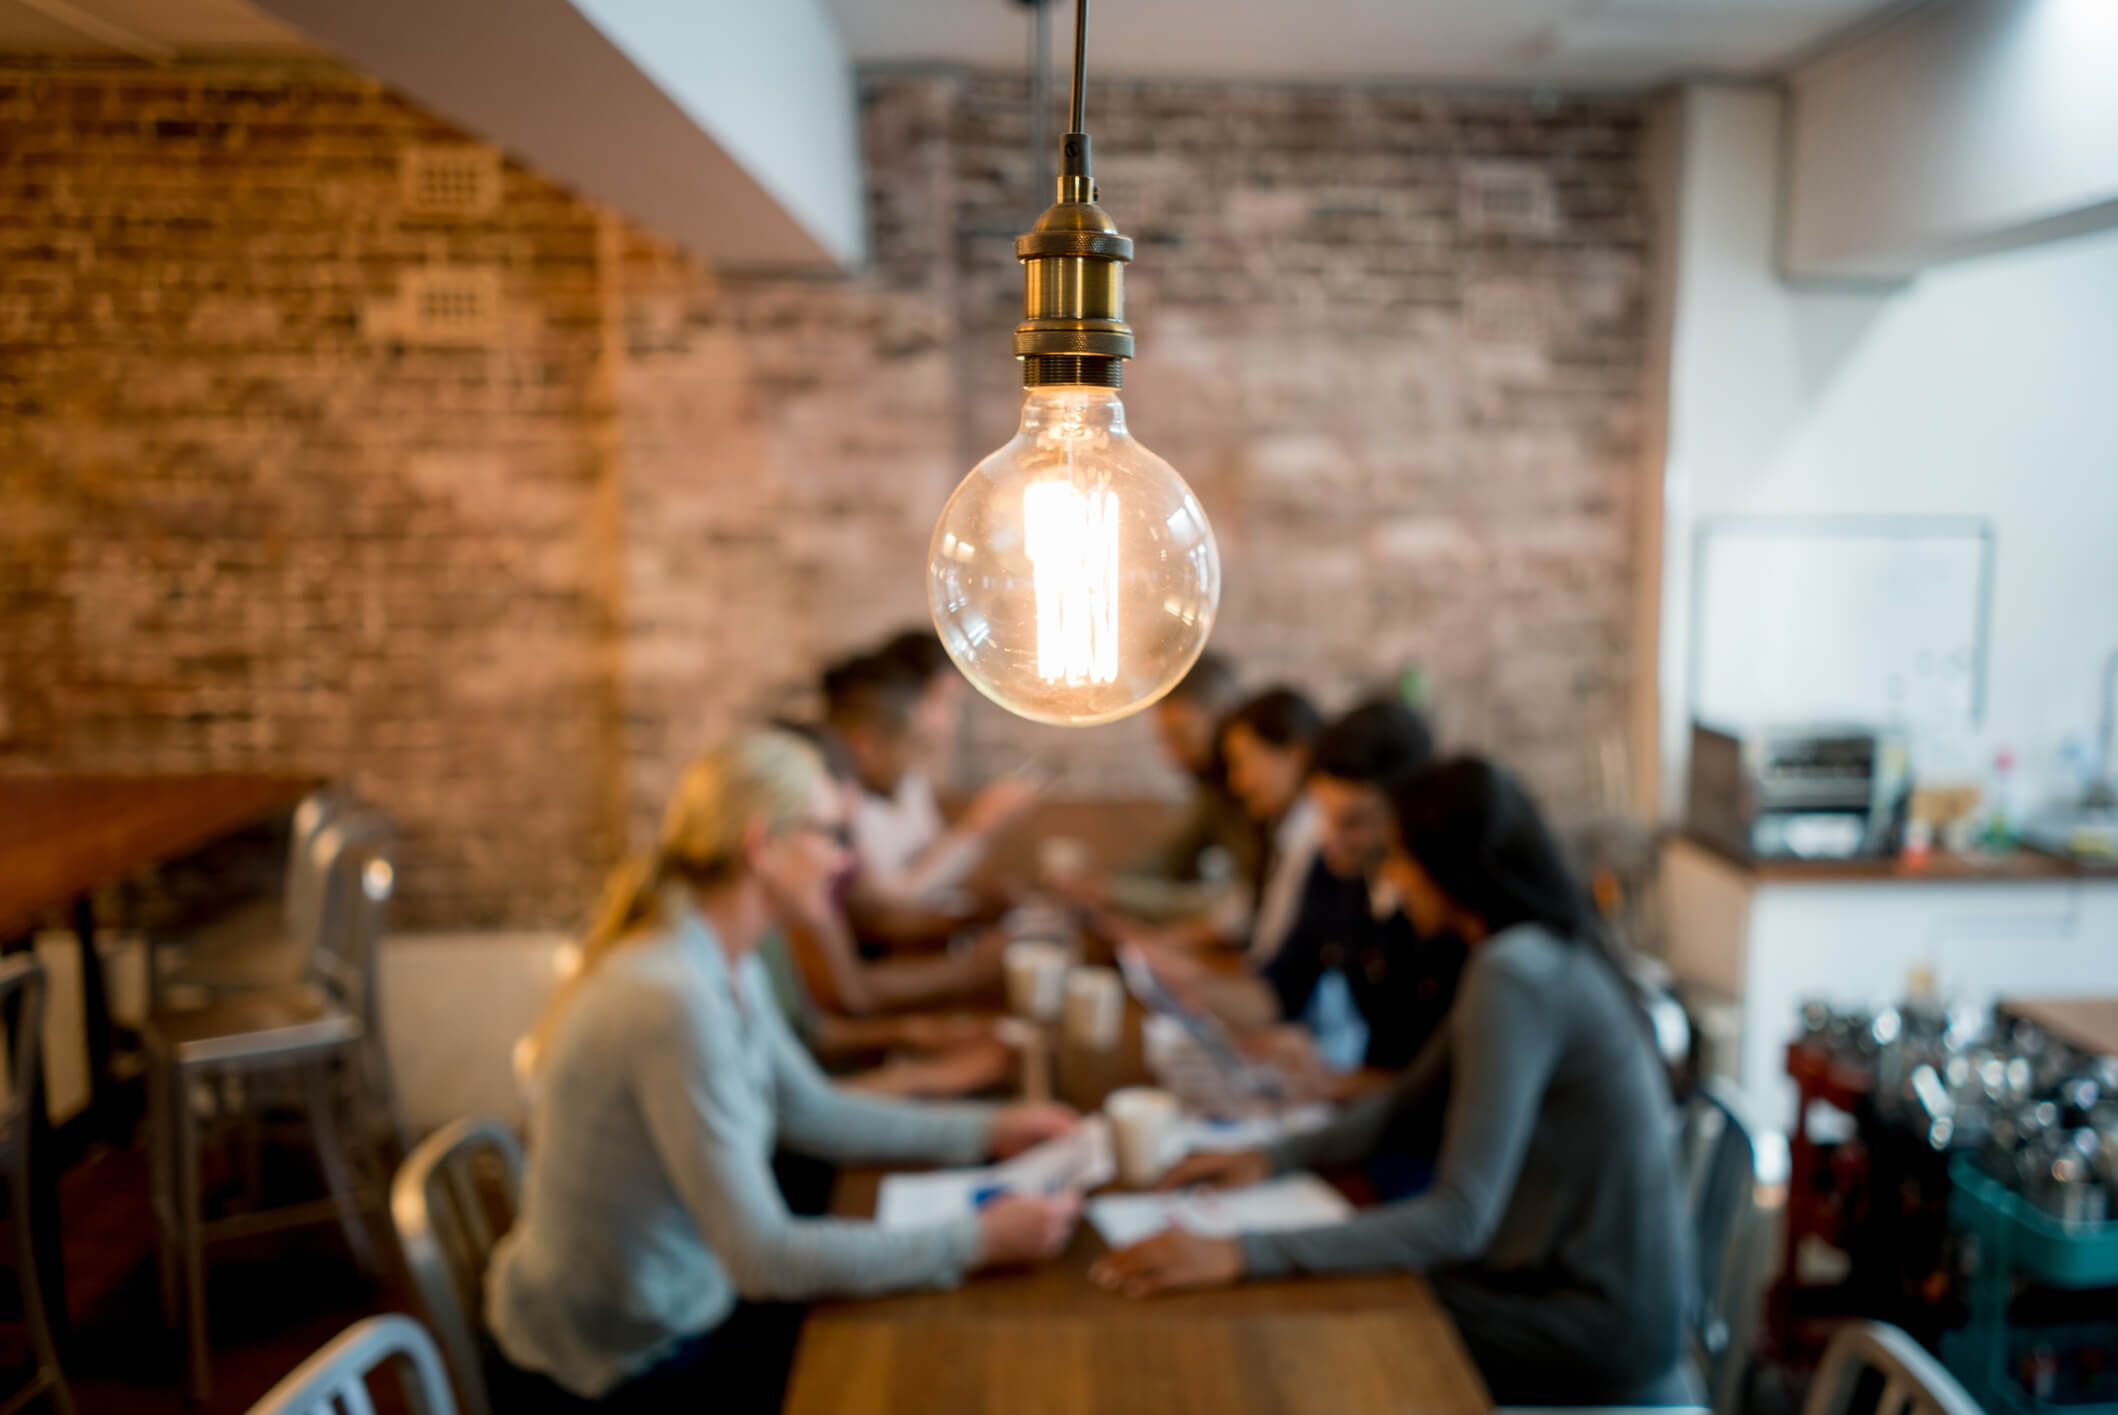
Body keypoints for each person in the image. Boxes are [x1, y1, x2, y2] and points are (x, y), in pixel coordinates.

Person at [487, 731, 1079, 1412]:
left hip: (684, 1300)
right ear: (761, 844)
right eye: (831, 834)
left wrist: (990, 1129)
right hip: (622, 1360)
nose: (847, 859)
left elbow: (811, 1110)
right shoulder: (672, 997)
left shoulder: (721, 954)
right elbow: (763, 1258)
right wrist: (976, 1240)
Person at [1091, 758, 1695, 1408]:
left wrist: (1241, 1252)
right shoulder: (1524, 950)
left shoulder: (1515, 973)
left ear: (1453, 867)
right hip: (1561, 1294)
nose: (1396, 880)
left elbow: (1458, 1218)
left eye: (1405, 859)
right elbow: (1405, 1105)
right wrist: (1269, 1157)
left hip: (1591, 1328)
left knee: (1307, 1338)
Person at [824, 651, 1037, 934]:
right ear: (867, 745)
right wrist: (978, 825)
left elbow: (932, 864)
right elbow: (886, 909)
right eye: (943, 702)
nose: (950, 721)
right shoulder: (839, 804)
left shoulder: (908, 780)